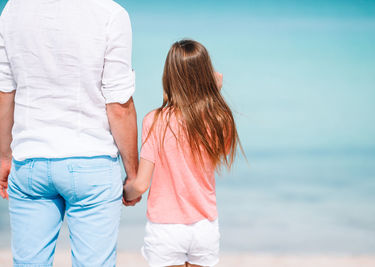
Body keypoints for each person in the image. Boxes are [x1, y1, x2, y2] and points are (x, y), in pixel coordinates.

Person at [0, 0, 140, 265]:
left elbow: (5, 93)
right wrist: (132, 174)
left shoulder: (13, 9)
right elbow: (119, 106)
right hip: (92, 162)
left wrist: (4, 156)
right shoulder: (111, 14)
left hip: (30, 161)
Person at [123, 39, 241, 267]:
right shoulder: (219, 120)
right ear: (207, 74)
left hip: (166, 229)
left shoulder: (155, 120)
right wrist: (215, 92)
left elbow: (140, 185)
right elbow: (220, 150)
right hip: (204, 227)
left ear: (169, 76)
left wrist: (126, 194)